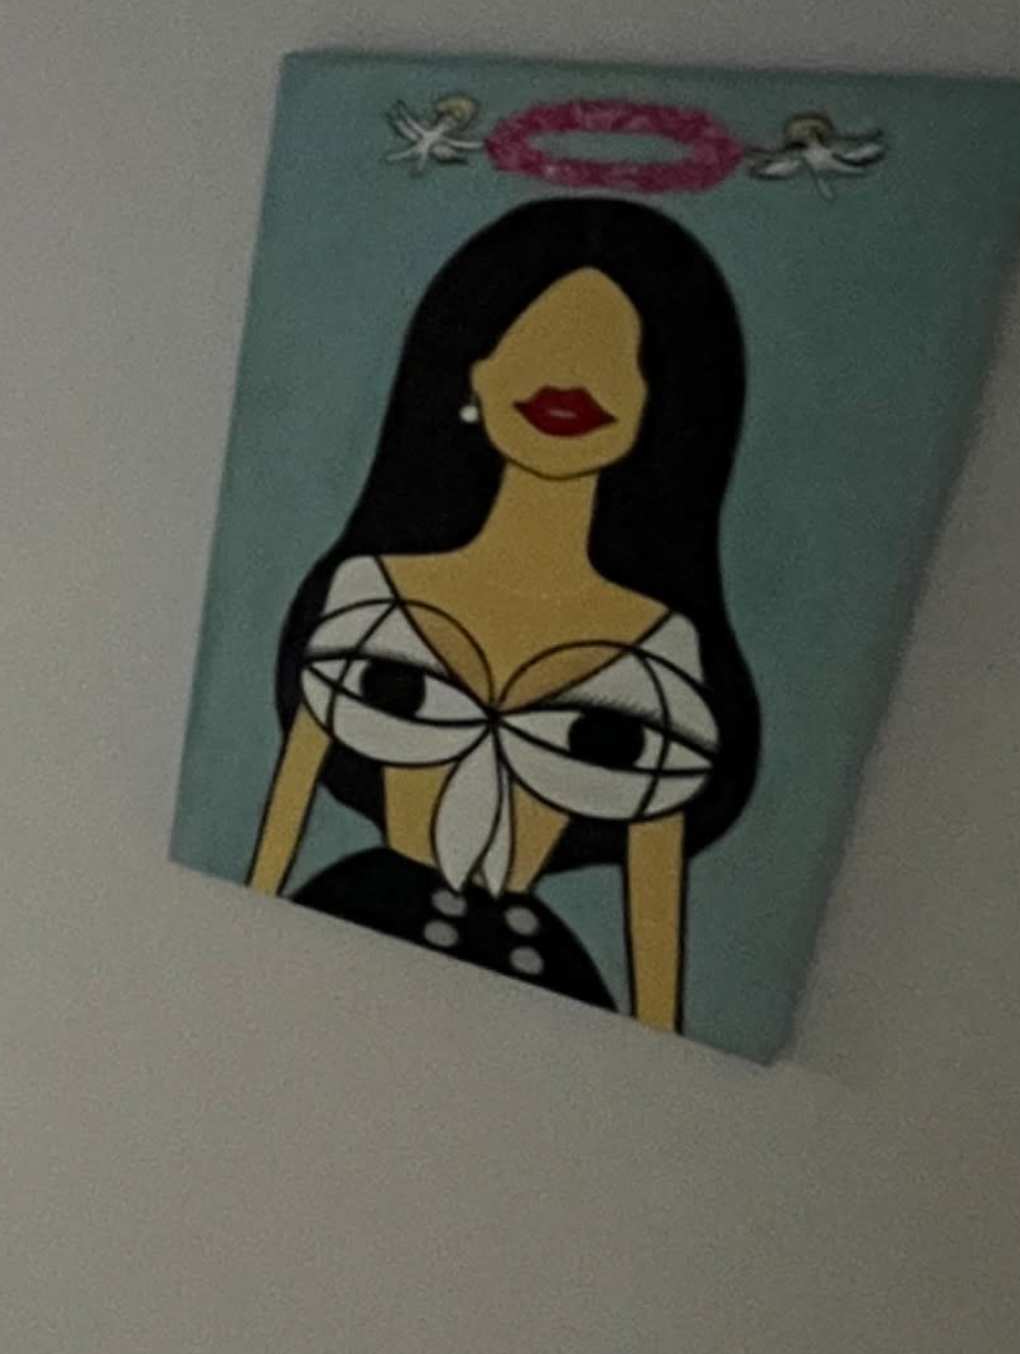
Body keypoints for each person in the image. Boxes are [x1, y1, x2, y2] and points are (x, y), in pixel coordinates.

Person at [245, 203, 760, 1031]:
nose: (574, 377)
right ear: (474, 369)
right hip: (346, 921)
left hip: (529, 979)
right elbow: (282, 817)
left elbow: (655, 894)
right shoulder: (371, 590)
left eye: (615, 358)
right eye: (540, 341)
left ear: (656, 404)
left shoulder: (663, 650)